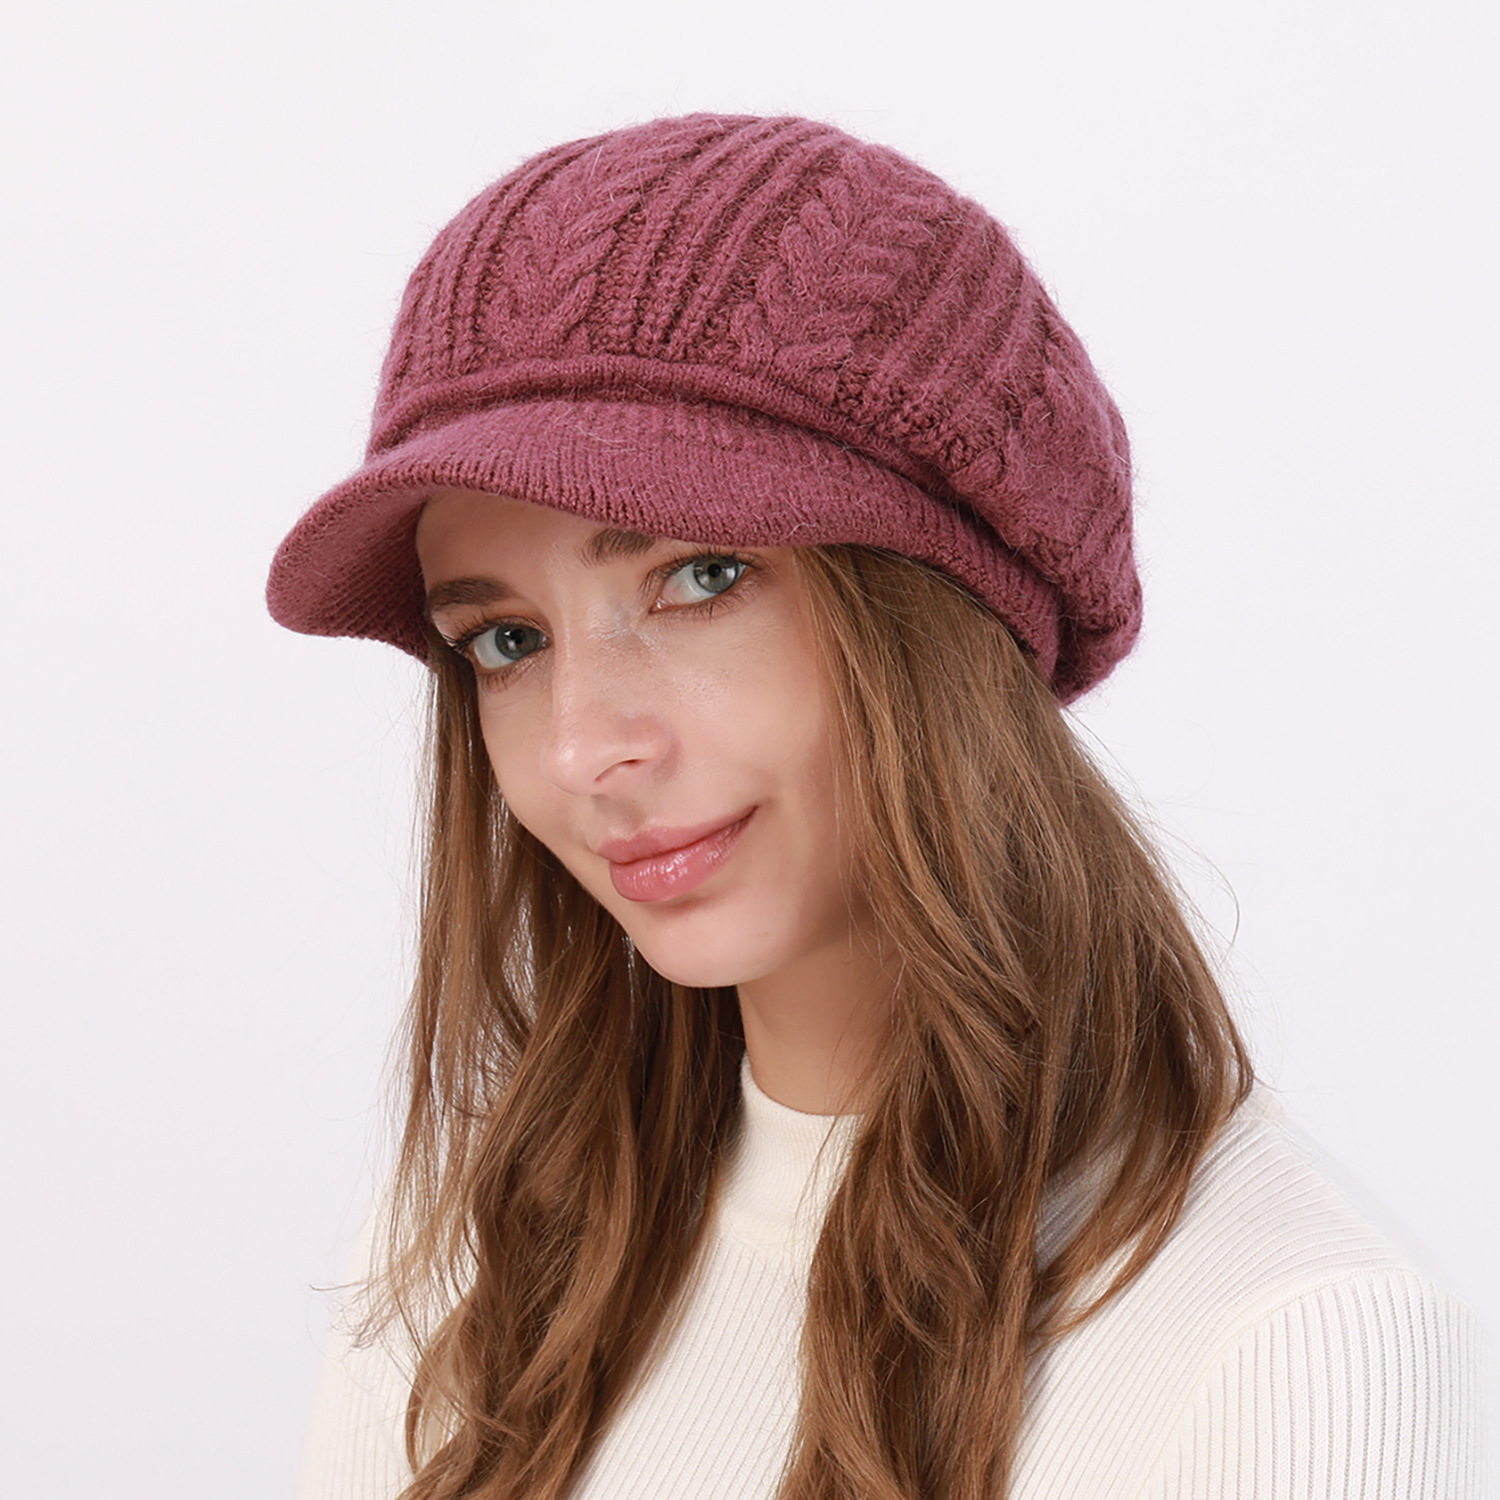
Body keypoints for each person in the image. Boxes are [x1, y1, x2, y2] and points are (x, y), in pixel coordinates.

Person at [269, 114, 1486, 1500]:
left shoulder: (1291, 1343)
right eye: (506, 641)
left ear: (941, 617)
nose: (583, 747)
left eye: (702, 577)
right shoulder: (471, 1260)